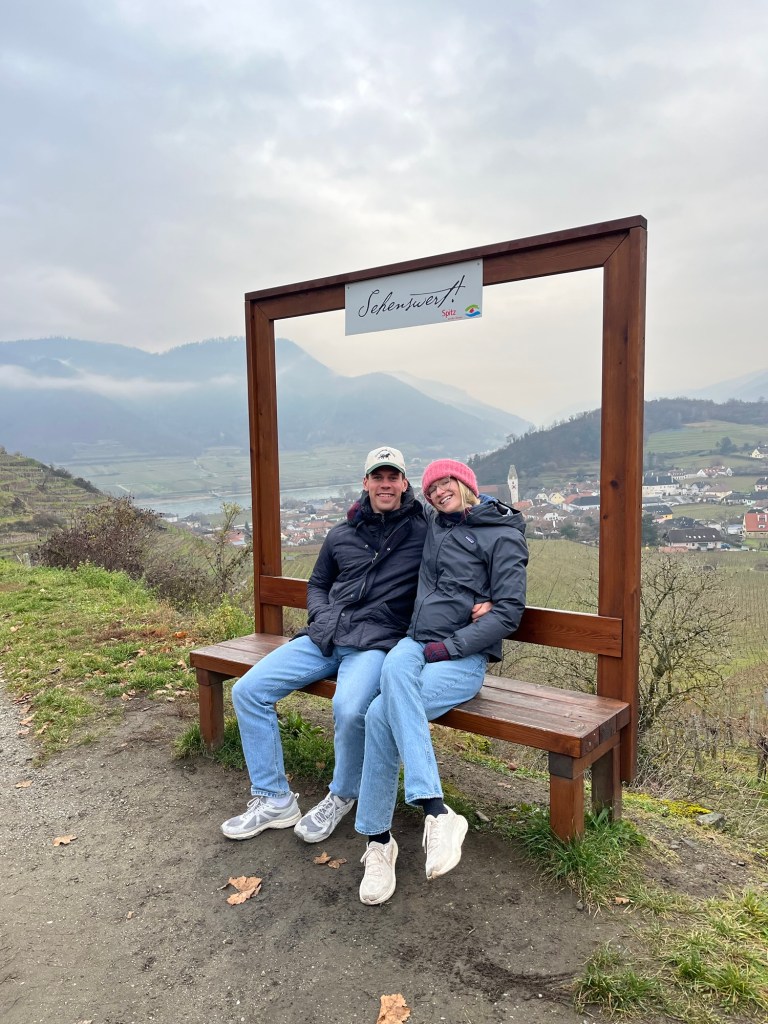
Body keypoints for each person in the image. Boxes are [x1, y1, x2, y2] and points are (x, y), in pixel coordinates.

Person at [220, 445, 428, 844]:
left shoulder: (422, 533)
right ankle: (274, 799)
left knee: (349, 710)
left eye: (393, 477)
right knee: (248, 691)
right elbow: (317, 584)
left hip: (374, 643)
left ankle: (342, 795)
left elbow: (462, 533)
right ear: (365, 482)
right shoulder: (342, 534)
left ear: (405, 484)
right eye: (378, 477)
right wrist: (320, 615)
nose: (385, 484)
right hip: (325, 636)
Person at [354, 458, 528, 905]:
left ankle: (381, 839)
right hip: (415, 643)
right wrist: (359, 508)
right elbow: (387, 503)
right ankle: (434, 814)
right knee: (392, 675)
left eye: (445, 483)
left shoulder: (502, 534)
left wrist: (449, 646)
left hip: (460, 657)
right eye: (431, 488)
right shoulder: (435, 523)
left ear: (465, 483)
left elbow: (510, 612)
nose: (437, 492)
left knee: (379, 714)